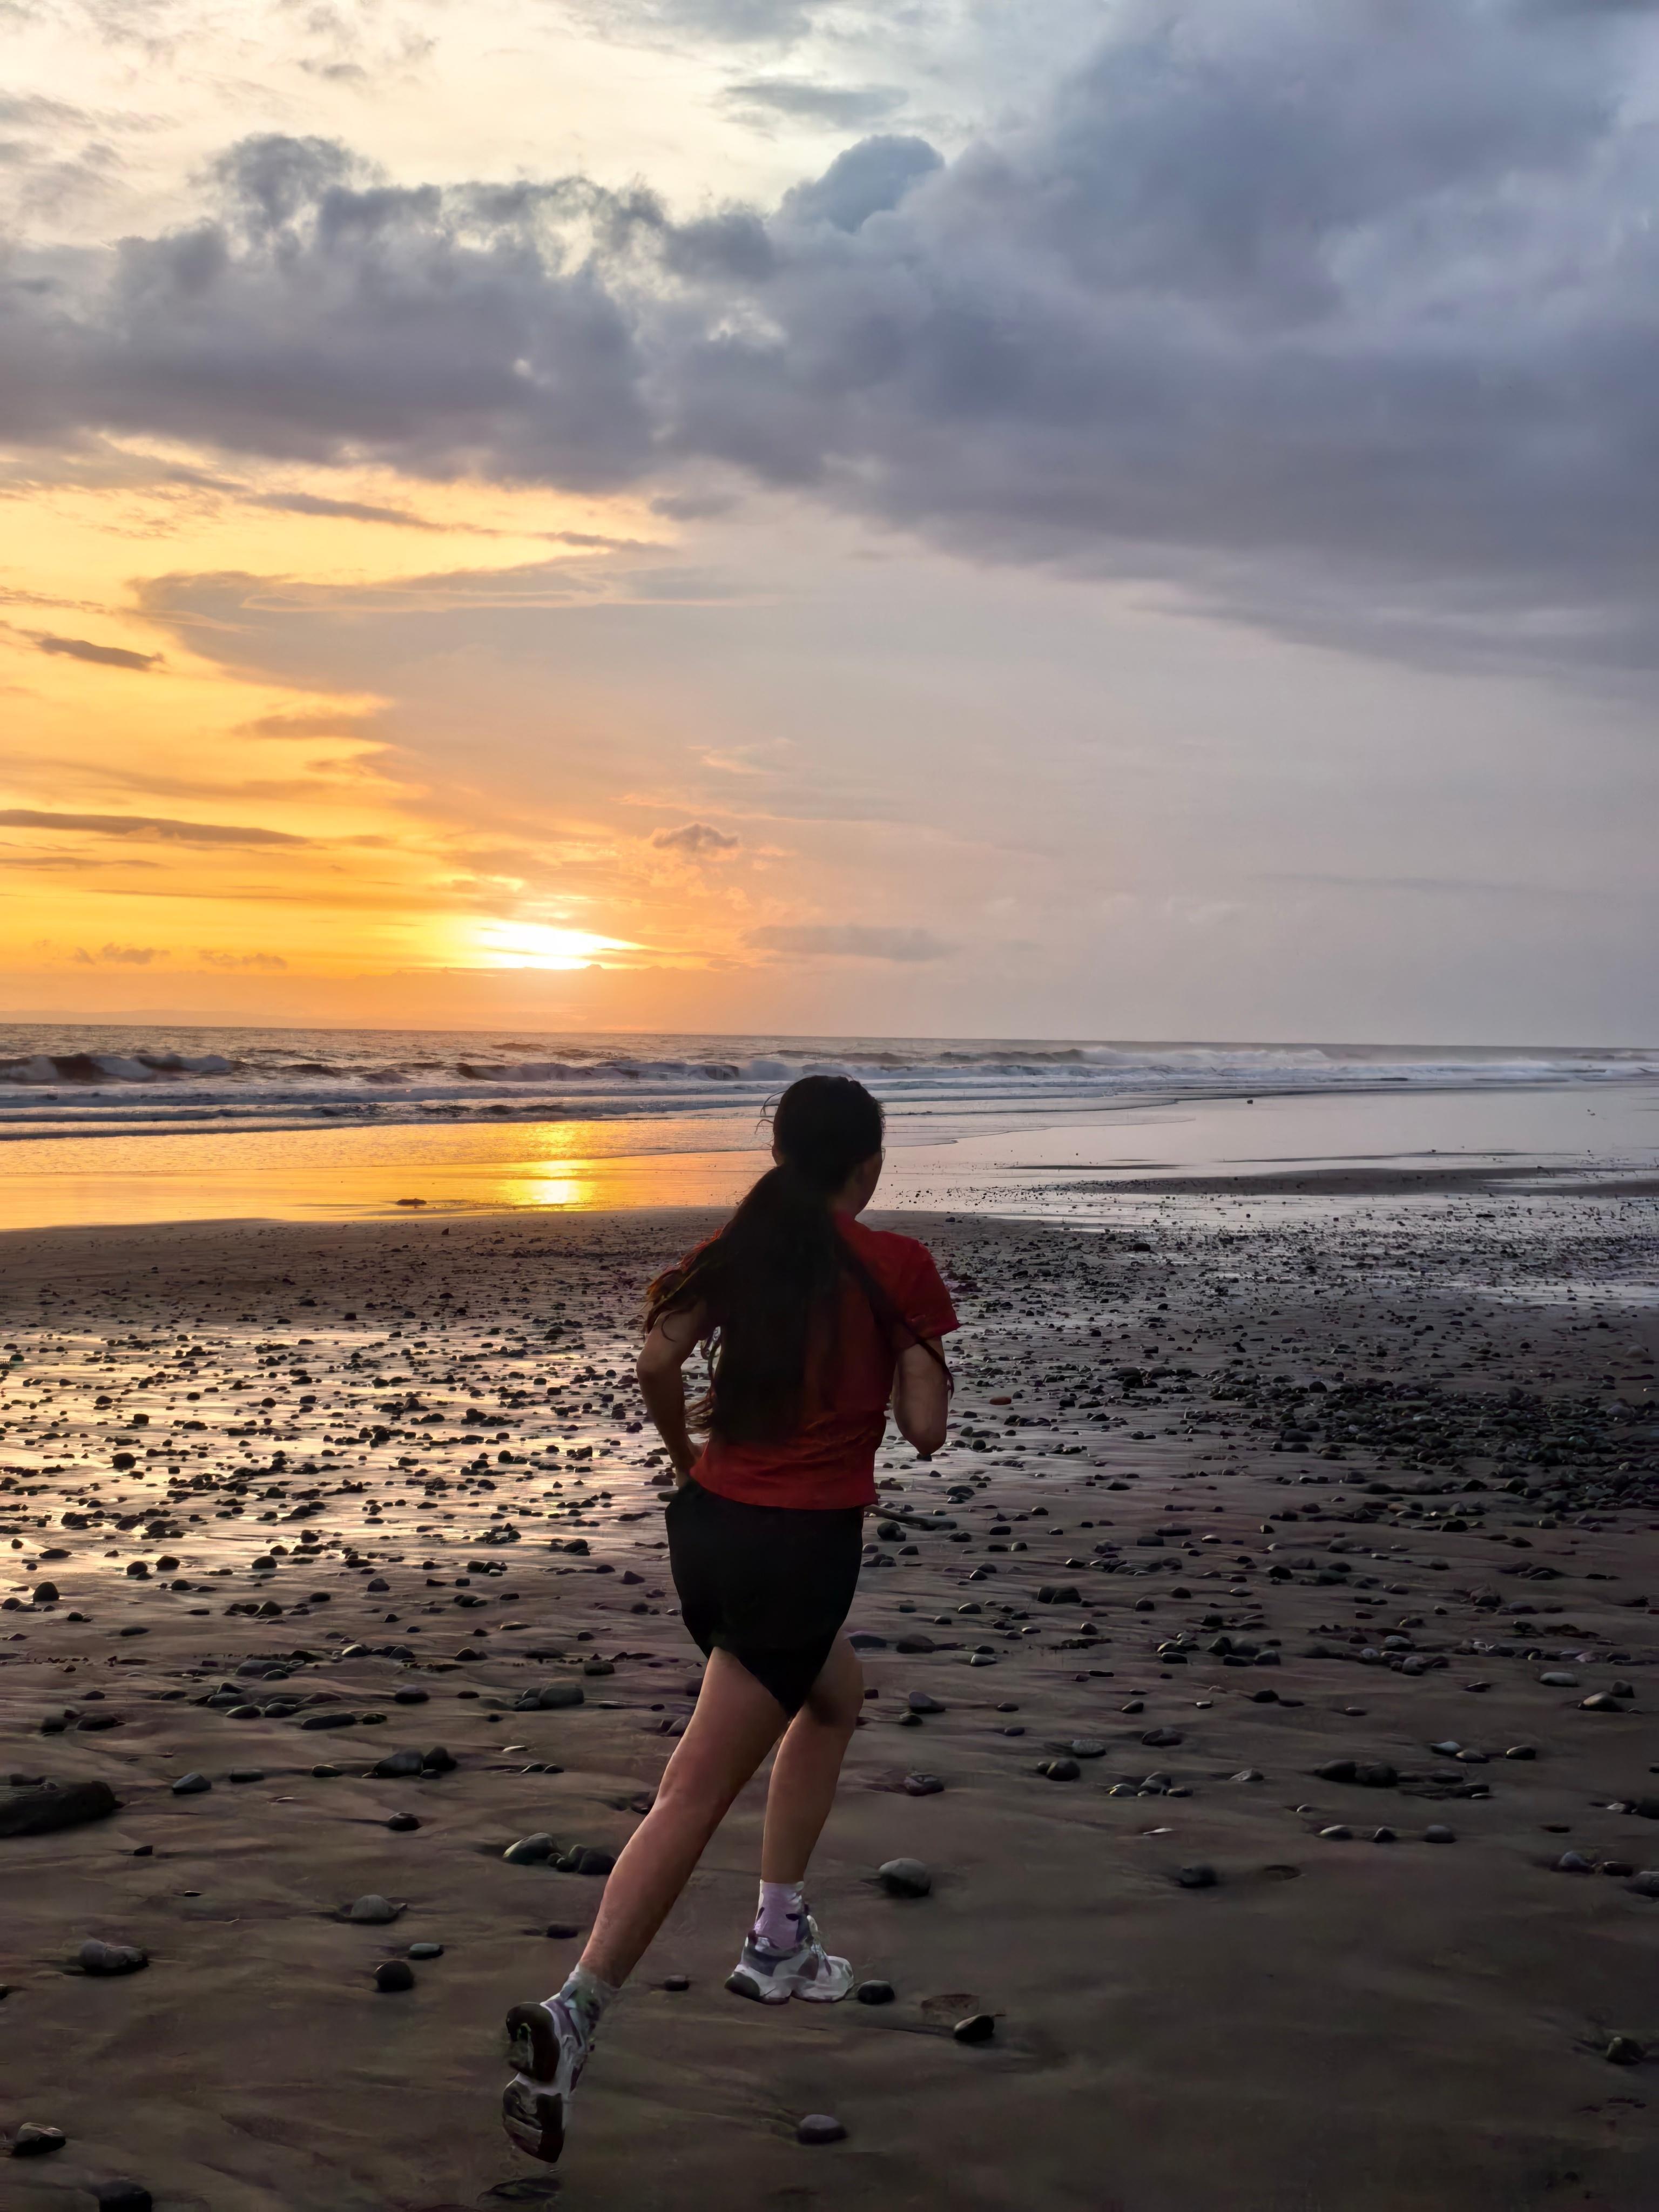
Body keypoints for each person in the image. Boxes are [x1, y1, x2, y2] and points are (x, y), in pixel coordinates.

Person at [501, 1074, 957, 2163]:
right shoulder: (898, 1267)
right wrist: (924, 1340)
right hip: (799, 1554)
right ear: (869, 1165)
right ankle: (576, 2011)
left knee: (833, 1694)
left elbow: (658, 1356)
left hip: (707, 1537)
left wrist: (686, 1459)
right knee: (694, 1790)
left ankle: (780, 1935)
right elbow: (926, 1430)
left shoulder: (744, 1244)